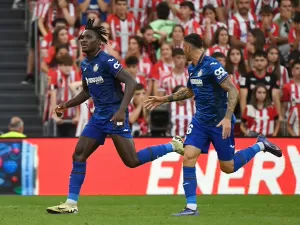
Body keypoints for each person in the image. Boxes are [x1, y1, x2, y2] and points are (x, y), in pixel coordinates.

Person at [46, 19, 184, 214]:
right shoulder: (85, 64)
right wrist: (66, 104)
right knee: (78, 154)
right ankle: (71, 203)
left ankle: (172, 145)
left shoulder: (107, 60)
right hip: (99, 117)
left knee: (132, 161)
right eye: (82, 38)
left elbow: (131, 81)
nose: (83, 41)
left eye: (88, 38)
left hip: (115, 115)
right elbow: (86, 92)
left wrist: (121, 110)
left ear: (98, 42)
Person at [144, 33, 282, 216]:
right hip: (200, 121)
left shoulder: (212, 65)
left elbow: (232, 90)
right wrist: (164, 99)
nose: (181, 49)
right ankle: (191, 207)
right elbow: (189, 91)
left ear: (187, 48)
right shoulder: (192, 68)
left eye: (182, 46)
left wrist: (227, 118)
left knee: (228, 167)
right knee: (188, 156)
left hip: (219, 122)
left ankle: (260, 145)